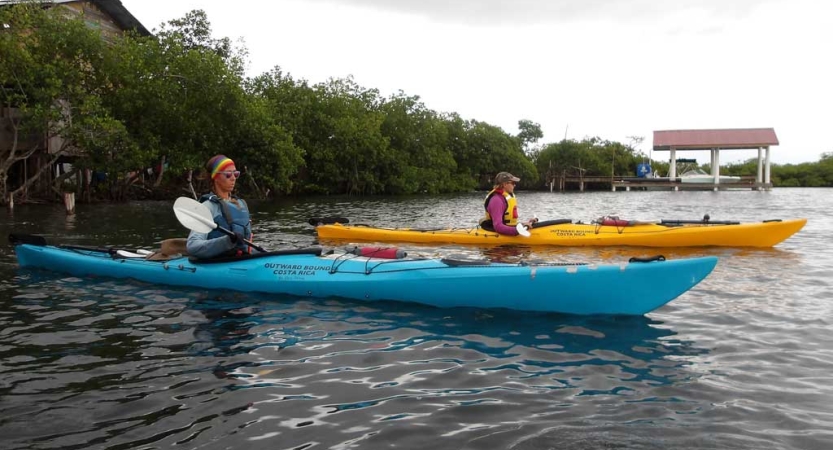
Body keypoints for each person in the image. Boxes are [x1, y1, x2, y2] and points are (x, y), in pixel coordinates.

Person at [186, 155, 256, 259]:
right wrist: (227, 241)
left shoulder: (241, 204)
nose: (233, 178)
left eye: (235, 174)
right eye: (228, 174)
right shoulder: (208, 207)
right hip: (219, 262)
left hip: (243, 259)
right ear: (215, 177)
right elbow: (192, 246)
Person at [479, 172, 538, 236]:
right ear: (504, 184)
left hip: (507, 229)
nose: (514, 185)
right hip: (497, 233)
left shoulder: (505, 198)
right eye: (513, 183)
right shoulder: (496, 201)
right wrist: (516, 231)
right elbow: (498, 227)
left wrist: (524, 224)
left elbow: (508, 224)